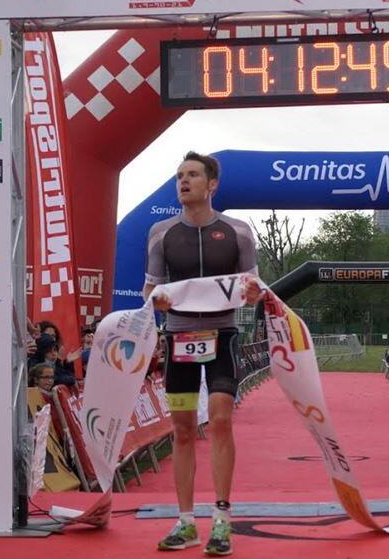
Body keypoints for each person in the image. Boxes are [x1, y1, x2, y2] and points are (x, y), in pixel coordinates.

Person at [143, 151, 262, 555]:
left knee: (222, 421)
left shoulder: (238, 232)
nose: (183, 181)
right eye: (179, 175)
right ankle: (185, 521)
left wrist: (251, 292)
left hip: (223, 336)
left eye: (192, 175)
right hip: (178, 340)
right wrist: (154, 303)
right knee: (181, 431)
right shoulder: (160, 232)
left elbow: (253, 287)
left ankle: (223, 521)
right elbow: (150, 290)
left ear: (211, 185)